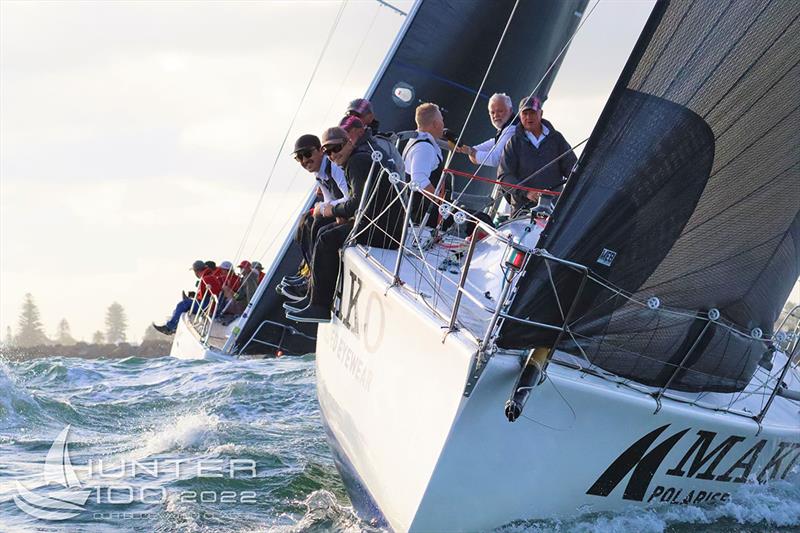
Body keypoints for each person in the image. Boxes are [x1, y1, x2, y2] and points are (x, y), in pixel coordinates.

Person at [284, 126, 404, 322]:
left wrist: (333, 210)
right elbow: (359, 203)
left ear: (349, 143)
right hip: (376, 225)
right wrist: (338, 212)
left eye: (336, 148)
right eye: (328, 151)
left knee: (326, 237)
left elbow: (356, 202)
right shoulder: (354, 160)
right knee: (324, 231)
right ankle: (314, 296)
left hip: (383, 232)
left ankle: (320, 306)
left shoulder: (357, 162)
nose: (332, 155)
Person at [497, 96, 577, 215]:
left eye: (533, 113)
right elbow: (504, 177)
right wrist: (527, 192)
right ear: (520, 116)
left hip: (553, 213)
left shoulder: (557, 139)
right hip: (521, 212)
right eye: (525, 113)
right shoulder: (513, 143)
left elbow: (573, 169)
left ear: (541, 113)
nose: (529, 117)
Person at [289, 134, 349, 280]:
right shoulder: (318, 173)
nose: (304, 160)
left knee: (319, 226)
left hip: (349, 212)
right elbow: (330, 200)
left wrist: (322, 208)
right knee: (306, 222)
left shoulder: (334, 167)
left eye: (308, 154)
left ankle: (319, 279)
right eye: (299, 157)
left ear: (320, 150)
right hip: (340, 211)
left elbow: (349, 197)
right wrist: (321, 208)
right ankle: (310, 275)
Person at [402, 102, 445, 225]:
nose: (443, 124)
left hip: (421, 213)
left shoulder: (417, 142)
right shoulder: (424, 147)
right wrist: (442, 205)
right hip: (425, 217)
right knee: (480, 219)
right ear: (436, 124)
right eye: (442, 120)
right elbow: (419, 180)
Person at [455, 93, 516, 168]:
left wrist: (471, 152)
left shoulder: (512, 128)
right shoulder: (506, 129)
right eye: (492, 112)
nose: (496, 115)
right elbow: (494, 143)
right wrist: (470, 150)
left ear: (510, 110)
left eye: (500, 111)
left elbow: (495, 159)